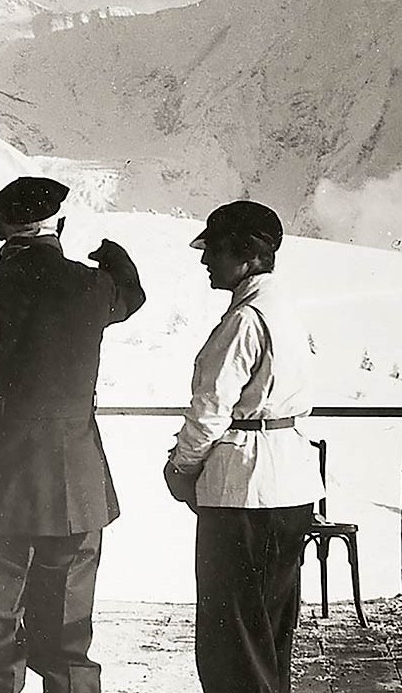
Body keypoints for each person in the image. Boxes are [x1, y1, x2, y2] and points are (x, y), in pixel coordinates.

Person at [0, 177, 145, 693]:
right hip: (78, 496)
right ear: (60, 226)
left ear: (1, 228)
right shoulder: (94, 287)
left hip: (1, 494)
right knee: (68, 647)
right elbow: (131, 295)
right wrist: (114, 258)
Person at [163, 201, 322, 693]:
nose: (205, 260)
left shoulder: (245, 321)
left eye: (215, 250)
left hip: (243, 493)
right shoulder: (287, 308)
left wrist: (181, 468)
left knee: (231, 644)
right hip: (288, 485)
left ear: (248, 257)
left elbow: (210, 410)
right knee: (270, 636)